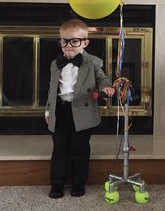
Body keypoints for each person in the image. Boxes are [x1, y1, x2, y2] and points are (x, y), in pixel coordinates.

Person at [45, 19, 115, 199]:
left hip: (82, 113)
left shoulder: (93, 62)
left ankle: (78, 183)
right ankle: (57, 183)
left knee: (79, 149)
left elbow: (102, 79)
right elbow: (52, 89)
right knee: (59, 149)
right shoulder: (55, 63)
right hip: (60, 111)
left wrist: (106, 88)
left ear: (85, 42)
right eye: (64, 41)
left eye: (74, 41)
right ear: (60, 41)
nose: (68, 46)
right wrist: (48, 111)